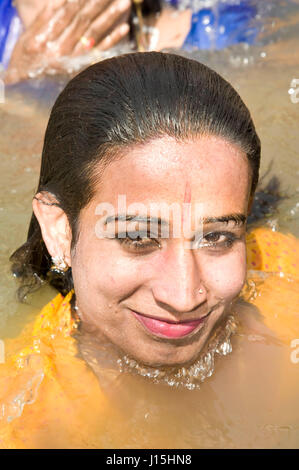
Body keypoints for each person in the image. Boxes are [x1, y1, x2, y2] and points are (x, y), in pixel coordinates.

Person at [0, 52, 298, 448]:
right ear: (58, 230)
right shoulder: (25, 417)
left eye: (217, 238)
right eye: (138, 239)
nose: (183, 297)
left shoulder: (285, 276)